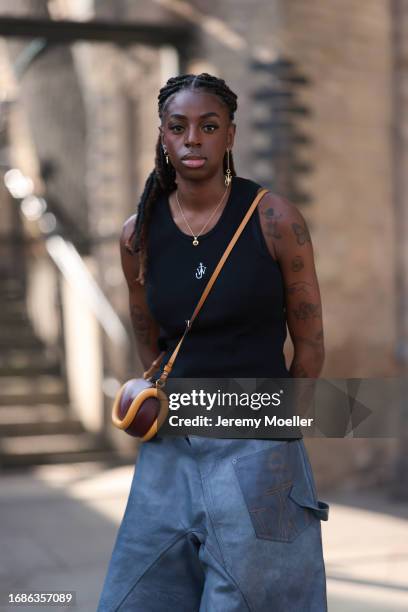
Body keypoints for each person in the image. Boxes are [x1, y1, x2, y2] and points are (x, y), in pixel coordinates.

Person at [97, 73, 329, 612]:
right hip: (170, 448)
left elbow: (310, 344)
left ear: (230, 135)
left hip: (258, 445)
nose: (192, 139)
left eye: (208, 126)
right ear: (162, 135)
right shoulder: (138, 234)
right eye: (178, 127)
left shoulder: (274, 219)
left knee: (258, 601)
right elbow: (147, 340)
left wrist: (281, 438)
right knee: (137, 599)